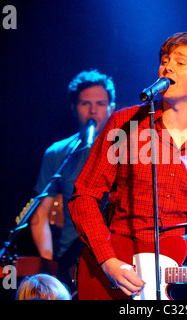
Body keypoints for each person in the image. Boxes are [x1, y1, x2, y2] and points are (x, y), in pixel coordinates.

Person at [68, 32, 187, 300]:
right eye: (165, 60)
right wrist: (108, 262)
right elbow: (84, 196)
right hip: (115, 271)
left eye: (180, 62)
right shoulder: (124, 125)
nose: (168, 67)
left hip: (180, 278)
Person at [30, 69, 115, 291]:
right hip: (70, 260)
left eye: (101, 103)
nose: (93, 110)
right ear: (73, 108)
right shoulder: (57, 153)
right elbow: (40, 217)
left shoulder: (126, 149)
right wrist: (50, 267)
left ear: (112, 107)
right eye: (85, 103)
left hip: (115, 257)